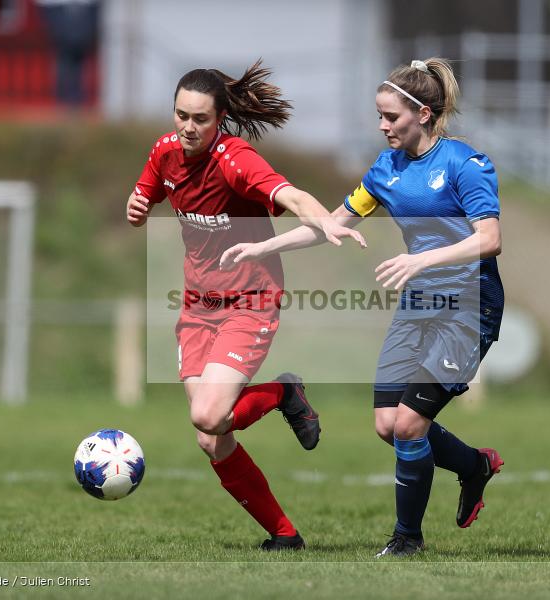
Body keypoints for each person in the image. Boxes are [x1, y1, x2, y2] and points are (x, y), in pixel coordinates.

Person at [220, 57, 505, 557]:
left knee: (409, 425)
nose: (382, 125)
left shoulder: (465, 164)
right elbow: (330, 225)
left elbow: (490, 239)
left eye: (391, 116)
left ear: (424, 113)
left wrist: (422, 260)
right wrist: (263, 247)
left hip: (467, 305)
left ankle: (407, 540)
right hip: (419, 303)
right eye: (379, 115)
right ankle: (473, 466)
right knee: (386, 425)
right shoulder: (385, 170)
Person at [126, 60, 366, 551]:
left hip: (249, 302)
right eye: (181, 115)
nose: (188, 127)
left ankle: (281, 393)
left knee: (208, 415)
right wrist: (136, 207)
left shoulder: (235, 160)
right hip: (197, 305)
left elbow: (290, 195)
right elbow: (144, 196)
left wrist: (326, 220)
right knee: (211, 436)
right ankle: (285, 535)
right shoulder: (165, 151)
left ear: (220, 120)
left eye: (200, 119)